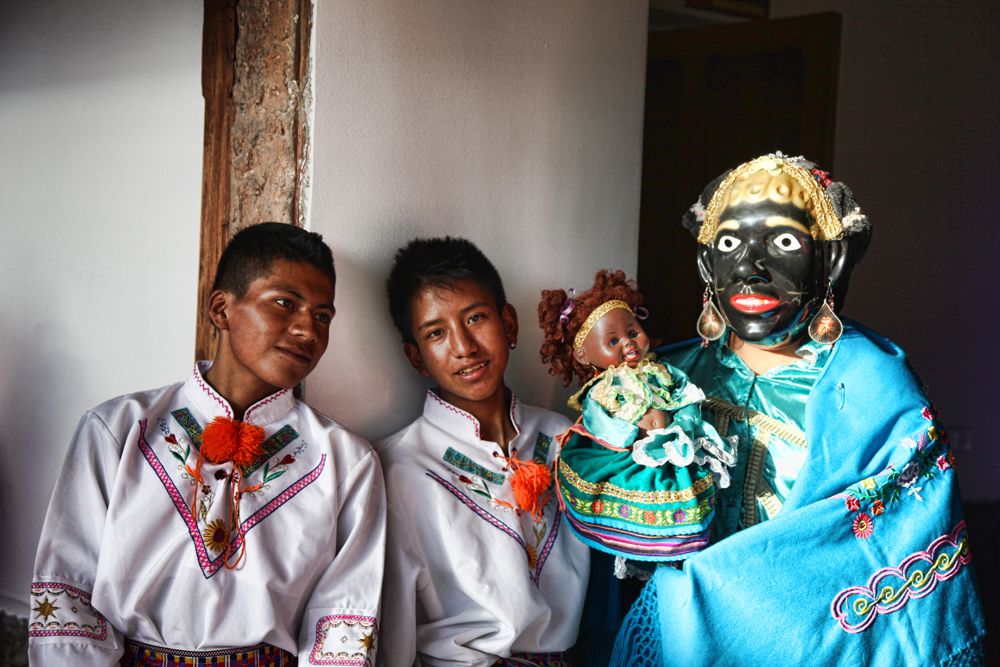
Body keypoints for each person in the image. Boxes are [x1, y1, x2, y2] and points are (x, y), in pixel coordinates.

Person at [611, 154, 986, 665]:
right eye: (728, 244)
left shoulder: (874, 387)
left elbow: (893, 550)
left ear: (829, 261)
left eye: (784, 242)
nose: (748, 267)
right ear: (706, 264)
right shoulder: (664, 378)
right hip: (676, 644)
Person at [28, 223, 386, 666]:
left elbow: (343, 620)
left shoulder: (346, 461)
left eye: (323, 316)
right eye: (285, 303)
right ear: (221, 308)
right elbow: (70, 590)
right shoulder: (116, 430)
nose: (307, 330)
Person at [376, 237, 590, 667]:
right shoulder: (399, 467)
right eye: (436, 333)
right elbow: (391, 630)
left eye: (475, 318)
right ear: (416, 357)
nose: (464, 346)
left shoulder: (565, 440)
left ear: (508, 324)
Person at [537, 270, 735, 574]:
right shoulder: (603, 389)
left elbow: (685, 395)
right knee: (644, 492)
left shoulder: (662, 370)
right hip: (631, 455)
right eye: (612, 340)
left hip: (672, 446)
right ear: (582, 354)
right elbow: (600, 423)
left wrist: (686, 422)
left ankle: (682, 550)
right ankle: (649, 548)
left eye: (632, 332)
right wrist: (628, 436)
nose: (628, 343)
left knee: (683, 492)